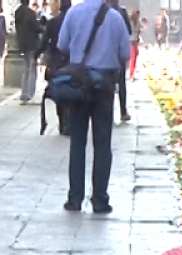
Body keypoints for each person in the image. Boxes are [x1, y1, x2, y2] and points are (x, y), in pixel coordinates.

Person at [57, 0, 130, 213]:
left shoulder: (73, 13)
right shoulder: (115, 17)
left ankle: (74, 198)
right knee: (103, 143)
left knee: (77, 142)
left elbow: (62, 45)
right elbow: (125, 52)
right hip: (104, 85)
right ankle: (99, 199)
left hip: (79, 85)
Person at [36, 0, 70, 135]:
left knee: (59, 91)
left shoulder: (53, 22)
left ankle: (62, 122)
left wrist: (35, 55)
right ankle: (69, 121)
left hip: (56, 62)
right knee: (71, 91)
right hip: (71, 61)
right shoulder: (74, 22)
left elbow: (44, 42)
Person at [108, 0, 131, 122]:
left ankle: (109, 112)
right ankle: (123, 111)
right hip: (119, 55)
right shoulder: (122, 12)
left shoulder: (103, 12)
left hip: (107, 53)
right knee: (122, 84)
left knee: (108, 85)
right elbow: (129, 32)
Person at [15, 0, 42, 104]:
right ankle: (30, 94)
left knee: (26, 69)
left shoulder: (18, 12)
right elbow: (37, 28)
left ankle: (24, 93)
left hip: (22, 43)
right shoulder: (30, 13)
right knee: (32, 69)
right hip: (32, 43)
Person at [129, 10, 142, 79]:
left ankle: (132, 73)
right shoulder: (131, 22)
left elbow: (139, 31)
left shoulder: (136, 22)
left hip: (134, 41)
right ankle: (131, 74)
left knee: (135, 56)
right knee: (133, 58)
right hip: (132, 41)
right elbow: (139, 31)